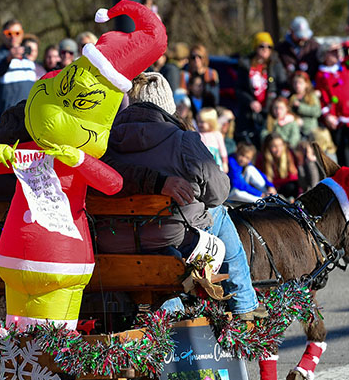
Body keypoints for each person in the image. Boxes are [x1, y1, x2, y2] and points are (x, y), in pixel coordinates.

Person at [101, 72, 265, 320]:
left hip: (114, 242)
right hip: (170, 239)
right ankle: (244, 304)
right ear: (166, 104)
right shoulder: (183, 140)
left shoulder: (105, 141)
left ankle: (165, 314)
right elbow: (219, 193)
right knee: (219, 212)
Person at [315, 39, 349, 168]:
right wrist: (327, 115)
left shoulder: (347, 65)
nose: (336, 54)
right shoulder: (321, 75)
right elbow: (322, 97)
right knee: (342, 149)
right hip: (337, 118)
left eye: (338, 51)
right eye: (332, 51)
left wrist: (346, 45)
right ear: (324, 54)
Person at [237, 31, 287, 142]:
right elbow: (239, 90)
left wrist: (277, 104)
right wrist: (250, 101)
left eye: (269, 47)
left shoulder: (275, 63)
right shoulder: (245, 64)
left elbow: (283, 85)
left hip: (270, 111)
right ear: (255, 47)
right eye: (262, 46)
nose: (265, 49)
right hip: (250, 113)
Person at [0, 19, 35, 112]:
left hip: (29, 115)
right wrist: (9, 58)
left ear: (22, 35)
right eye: (9, 33)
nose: (13, 37)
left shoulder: (28, 60)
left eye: (17, 33)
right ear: (3, 35)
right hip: (10, 118)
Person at [276, 16, 321, 81]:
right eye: (299, 36)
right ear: (291, 32)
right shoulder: (281, 49)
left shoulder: (314, 46)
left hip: (310, 87)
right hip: (289, 87)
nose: (302, 39)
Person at [257, 132, 299, 199]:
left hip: (283, 187)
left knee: (292, 186)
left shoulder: (289, 154)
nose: (278, 149)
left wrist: (275, 186)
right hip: (269, 189)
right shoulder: (261, 158)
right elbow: (260, 177)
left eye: (280, 145)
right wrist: (270, 186)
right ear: (268, 147)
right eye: (274, 146)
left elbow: (293, 176)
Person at [289, 71, 321, 139]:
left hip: (310, 131)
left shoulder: (311, 96)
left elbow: (317, 111)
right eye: (295, 83)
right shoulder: (292, 98)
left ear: (306, 84)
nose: (297, 85)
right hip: (297, 131)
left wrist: (300, 107)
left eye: (300, 83)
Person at [197, 107, 228, 172]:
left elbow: (223, 150)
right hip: (202, 162)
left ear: (211, 122)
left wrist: (225, 163)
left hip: (215, 161)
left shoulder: (216, 134)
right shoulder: (197, 134)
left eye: (202, 122)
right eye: (198, 121)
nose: (199, 124)